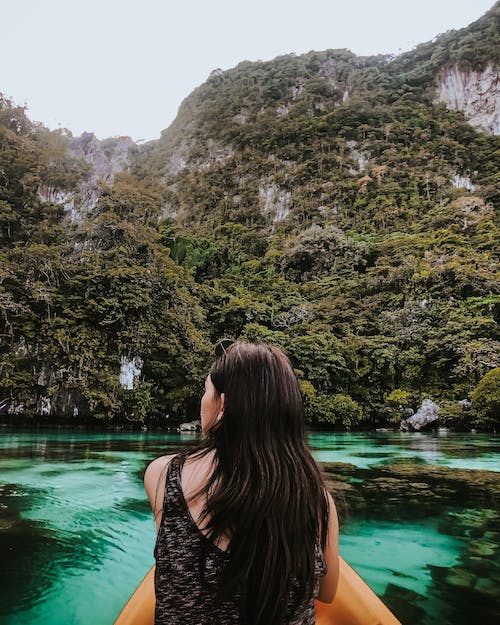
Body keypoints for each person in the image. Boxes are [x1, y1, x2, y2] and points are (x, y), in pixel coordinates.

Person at [144, 341, 339, 625]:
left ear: (223, 405)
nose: (202, 401)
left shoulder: (162, 475)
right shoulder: (317, 501)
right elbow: (328, 594)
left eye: (206, 390)